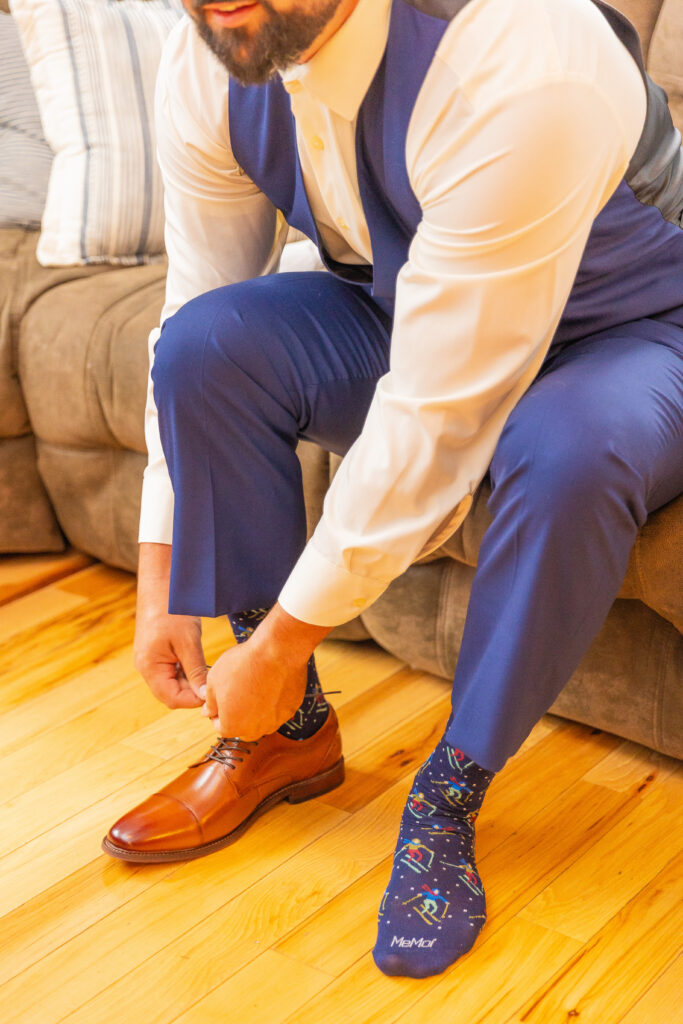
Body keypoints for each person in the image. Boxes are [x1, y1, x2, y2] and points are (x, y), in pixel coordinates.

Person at [101, 0, 683, 979]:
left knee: (571, 452)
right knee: (209, 351)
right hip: (416, 306)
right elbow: (196, 290)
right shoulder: (210, 54)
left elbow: (433, 422)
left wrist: (283, 639)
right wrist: (160, 573)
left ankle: (447, 792)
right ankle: (288, 733)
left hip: (628, 324)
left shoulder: (521, 48)